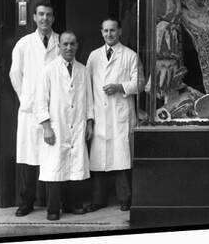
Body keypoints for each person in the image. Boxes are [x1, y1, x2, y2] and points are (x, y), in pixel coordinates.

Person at [85, 18, 143, 212]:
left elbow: (140, 83)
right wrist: (90, 119)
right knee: (99, 160)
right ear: (101, 33)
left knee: (121, 159)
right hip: (100, 115)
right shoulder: (93, 57)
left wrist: (120, 87)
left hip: (120, 113)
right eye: (105, 31)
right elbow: (87, 89)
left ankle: (125, 198)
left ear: (119, 31)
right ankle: (98, 199)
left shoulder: (130, 55)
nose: (109, 34)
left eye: (112, 30)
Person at [35, 31, 94, 221]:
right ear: (59, 46)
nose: (69, 48)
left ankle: (72, 204)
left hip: (77, 124)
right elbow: (41, 101)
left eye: (72, 44)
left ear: (77, 46)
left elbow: (89, 100)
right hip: (56, 126)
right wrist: (46, 127)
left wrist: (90, 123)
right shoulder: (49, 70)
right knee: (55, 167)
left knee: (75, 166)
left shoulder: (83, 70)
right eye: (65, 44)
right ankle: (53, 209)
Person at [9, 0, 59, 217]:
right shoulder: (24, 44)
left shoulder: (60, 42)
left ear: (53, 18)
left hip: (54, 109)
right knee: (29, 158)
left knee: (53, 158)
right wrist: (26, 99)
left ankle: (53, 204)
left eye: (48, 15)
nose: (44, 18)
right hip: (30, 111)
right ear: (33, 17)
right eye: (40, 14)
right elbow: (15, 74)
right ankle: (26, 202)